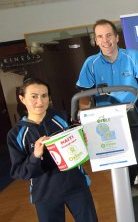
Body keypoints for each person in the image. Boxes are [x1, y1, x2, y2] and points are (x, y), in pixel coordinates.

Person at [76, 19, 138, 212]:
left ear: (116, 37)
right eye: (100, 36)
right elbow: (84, 98)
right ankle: (127, 197)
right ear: (96, 40)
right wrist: (83, 117)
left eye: (108, 35)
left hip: (132, 113)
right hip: (106, 121)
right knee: (118, 162)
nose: (105, 40)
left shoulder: (132, 56)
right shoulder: (90, 64)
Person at [7, 78, 98, 222]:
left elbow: (80, 146)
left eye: (44, 96)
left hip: (76, 187)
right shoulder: (16, 134)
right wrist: (35, 156)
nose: (40, 101)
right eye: (34, 96)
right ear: (22, 98)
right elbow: (19, 171)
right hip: (44, 194)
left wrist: (84, 142)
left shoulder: (62, 118)